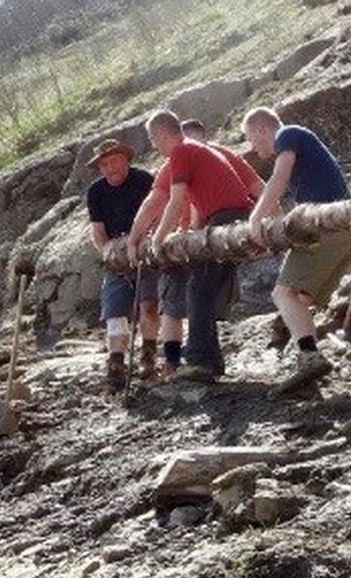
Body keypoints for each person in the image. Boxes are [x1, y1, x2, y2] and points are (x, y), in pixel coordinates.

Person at [126, 109, 256, 383]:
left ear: (162, 133)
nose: (153, 145)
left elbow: (174, 203)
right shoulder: (192, 151)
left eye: (152, 138)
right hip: (224, 216)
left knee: (198, 287)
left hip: (226, 217)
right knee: (202, 288)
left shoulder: (182, 152)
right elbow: (171, 202)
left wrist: (158, 241)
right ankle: (209, 360)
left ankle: (200, 361)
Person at [242, 107, 351, 394]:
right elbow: (286, 198)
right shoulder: (301, 150)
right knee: (302, 297)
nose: (253, 148)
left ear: (261, 129)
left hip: (328, 227)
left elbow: (278, 180)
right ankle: (306, 356)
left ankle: (309, 357)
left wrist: (255, 219)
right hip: (346, 231)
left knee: (283, 293)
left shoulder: (287, 134)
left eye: (251, 139)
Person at [84, 138, 160, 389]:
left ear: (125, 159)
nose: (109, 168)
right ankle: (116, 363)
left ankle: (148, 357)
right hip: (116, 252)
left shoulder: (144, 180)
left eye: (114, 161)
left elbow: (157, 212)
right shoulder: (95, 192)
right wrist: (108, 251)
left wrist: (148, 243)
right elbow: (97, 230)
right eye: (103, 164)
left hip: (146, 248)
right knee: (114, 311)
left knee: (148, 305)